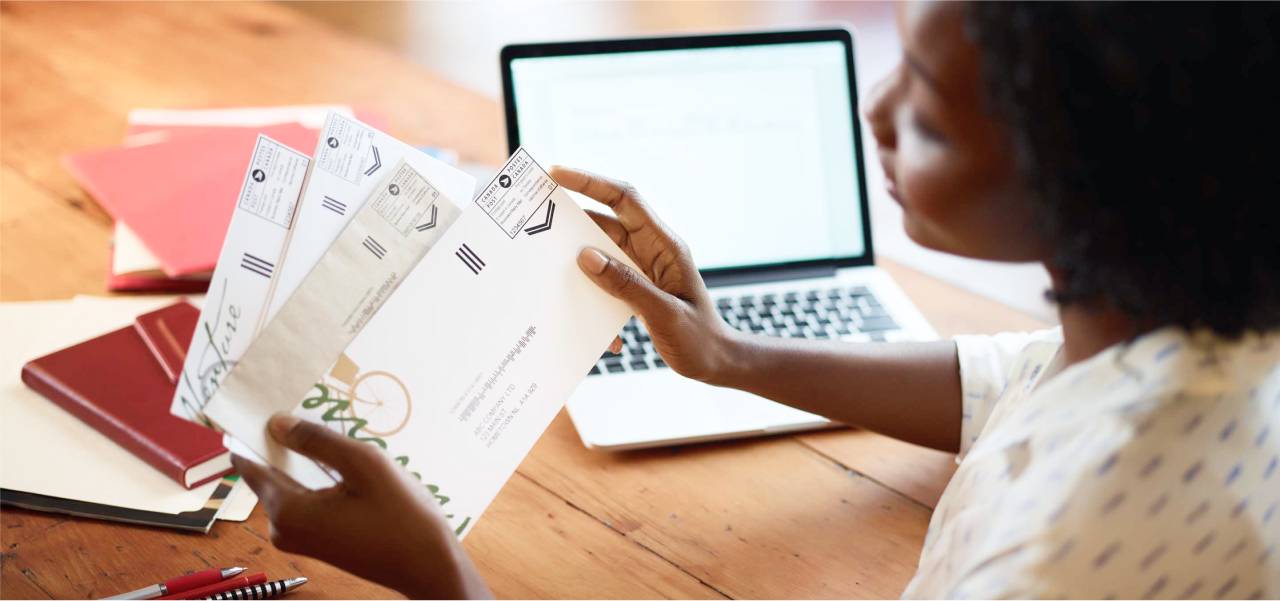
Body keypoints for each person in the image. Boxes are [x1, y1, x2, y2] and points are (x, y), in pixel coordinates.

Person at [231, 2, 1278, 598]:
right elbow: (1016, 380)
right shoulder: (1180, 331)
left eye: (932, 117)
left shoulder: (1054, 558)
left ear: (1093, 176)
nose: (875, 109)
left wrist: (447, 580)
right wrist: (731, 357)